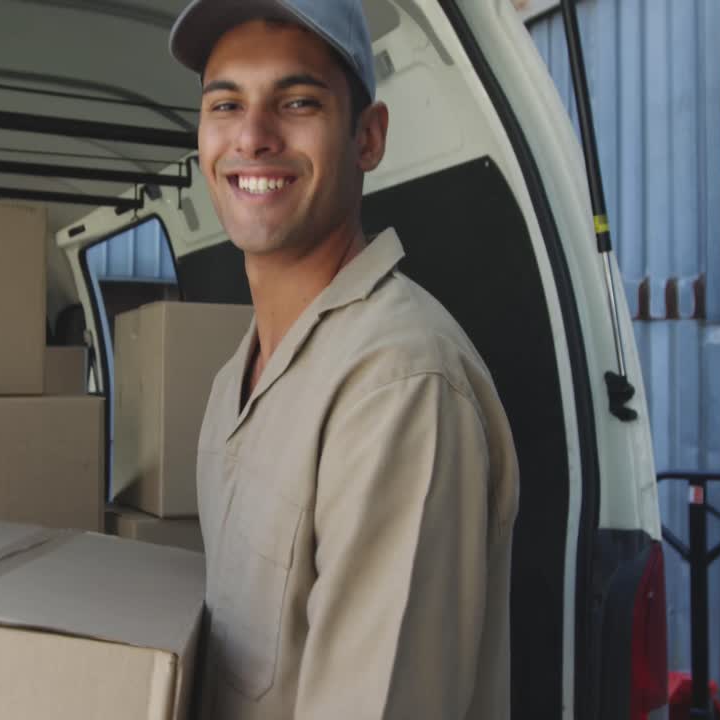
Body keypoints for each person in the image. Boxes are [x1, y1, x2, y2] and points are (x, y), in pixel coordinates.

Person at [170, 0, 520, 718]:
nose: (253, 136)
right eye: (225, 103)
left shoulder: (398, 386)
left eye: (297, 102)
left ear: (368, 137)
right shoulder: (234, 381)